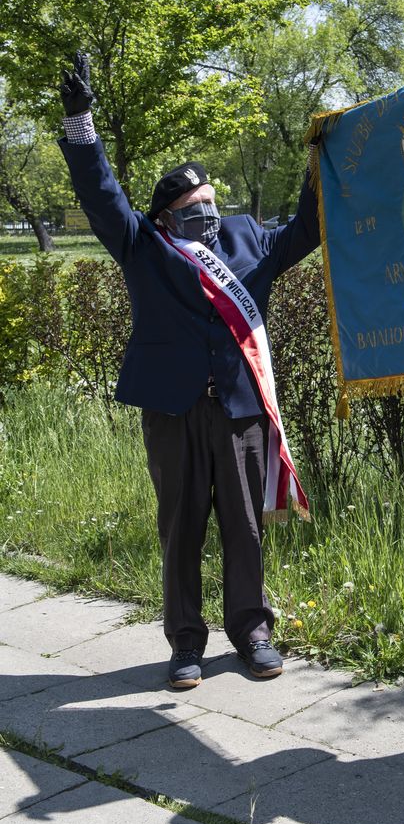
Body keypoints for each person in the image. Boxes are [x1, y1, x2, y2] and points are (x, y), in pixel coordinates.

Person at [58, 52, 320, 690]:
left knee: (245, 525)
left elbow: (310, 228)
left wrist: (322, 161)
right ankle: (185, 645)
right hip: (172, 411)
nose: (208, 213)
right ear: (166, 215)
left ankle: (252, 631)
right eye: (195, 206)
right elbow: (101, 193)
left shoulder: (251, 239)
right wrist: (80, 124)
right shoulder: (141, 243)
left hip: (239, 410)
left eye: (212, 202)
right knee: (181, 527)